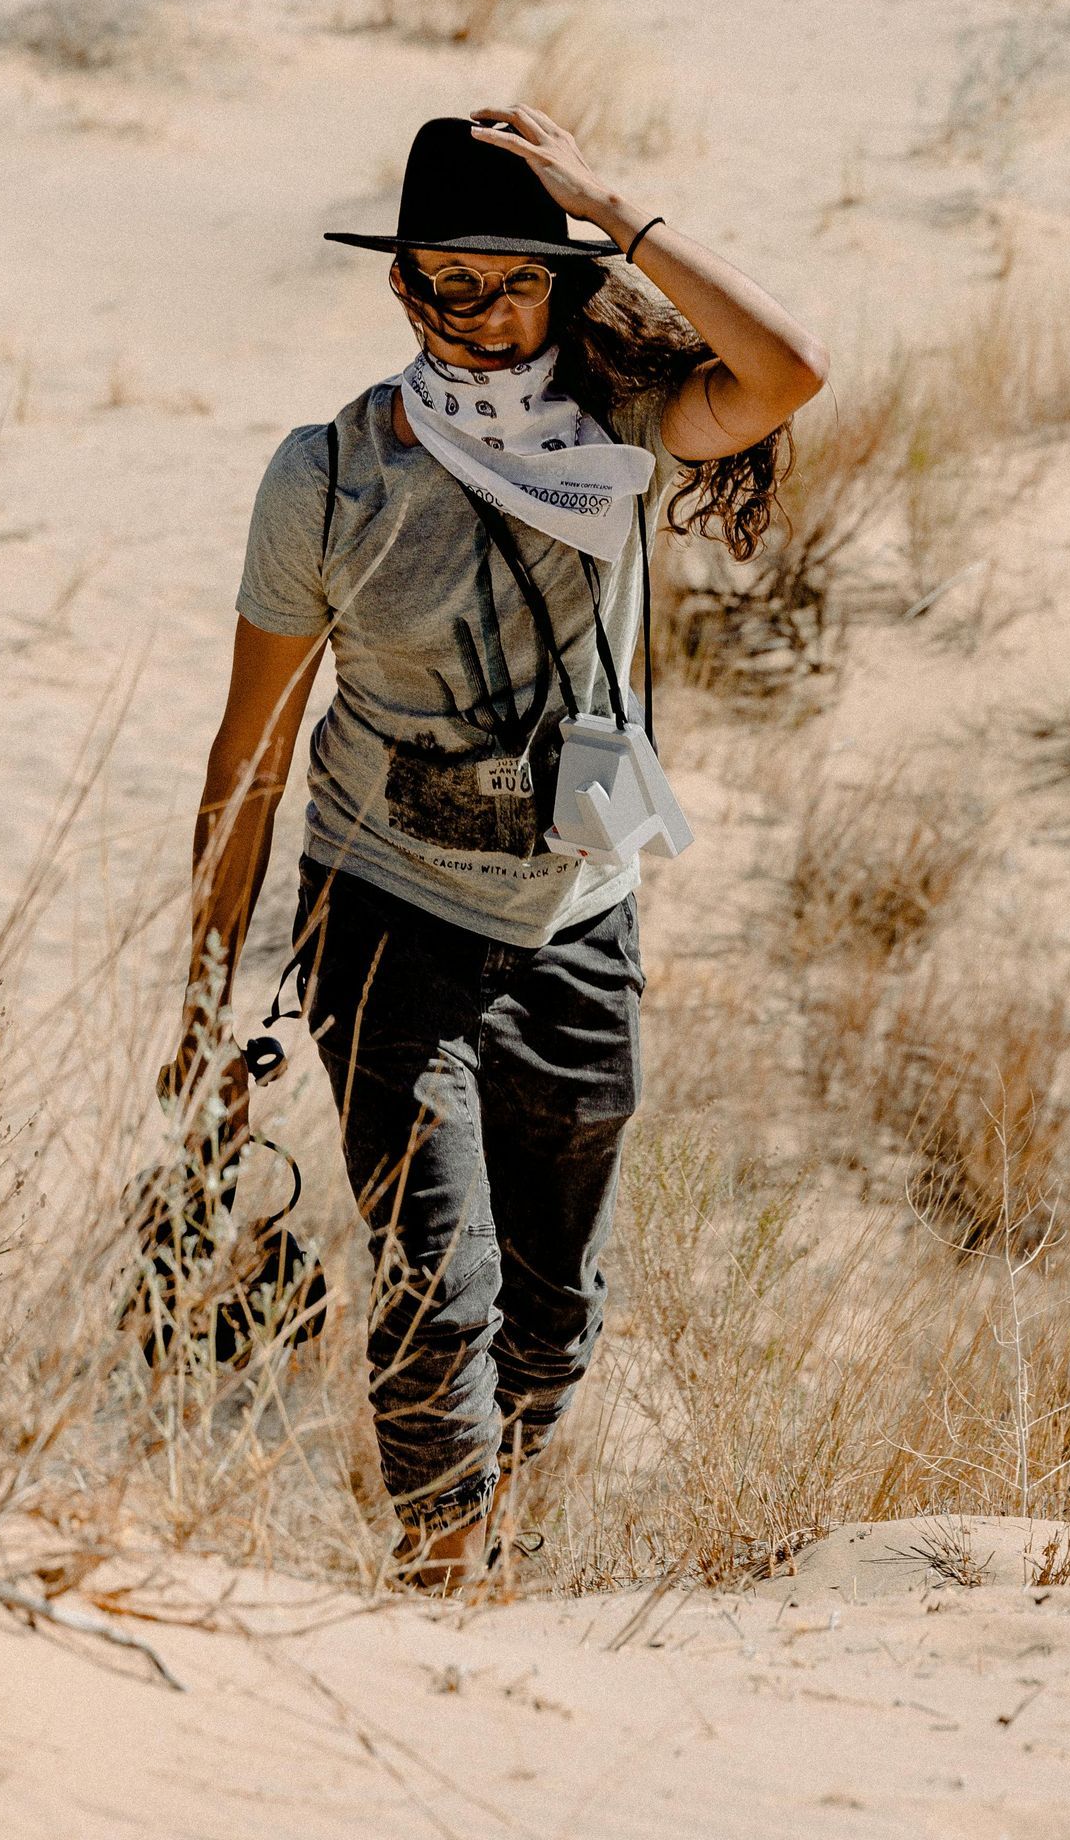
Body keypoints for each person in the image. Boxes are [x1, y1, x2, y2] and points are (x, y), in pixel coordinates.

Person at [173, 106, 827, 1587]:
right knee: (436, 1279)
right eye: (439, 282)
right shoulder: (328, 479)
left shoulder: (622, 429)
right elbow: (250, 756)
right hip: (387, 906)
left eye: (510, 279)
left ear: (565, 282)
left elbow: (791, 372)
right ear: (400, 285)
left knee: (553, 1307)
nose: (473, 314)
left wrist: (614, 202)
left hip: (580, 915)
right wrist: (207, 991)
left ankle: (498, 1530)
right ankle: (439, 1583)